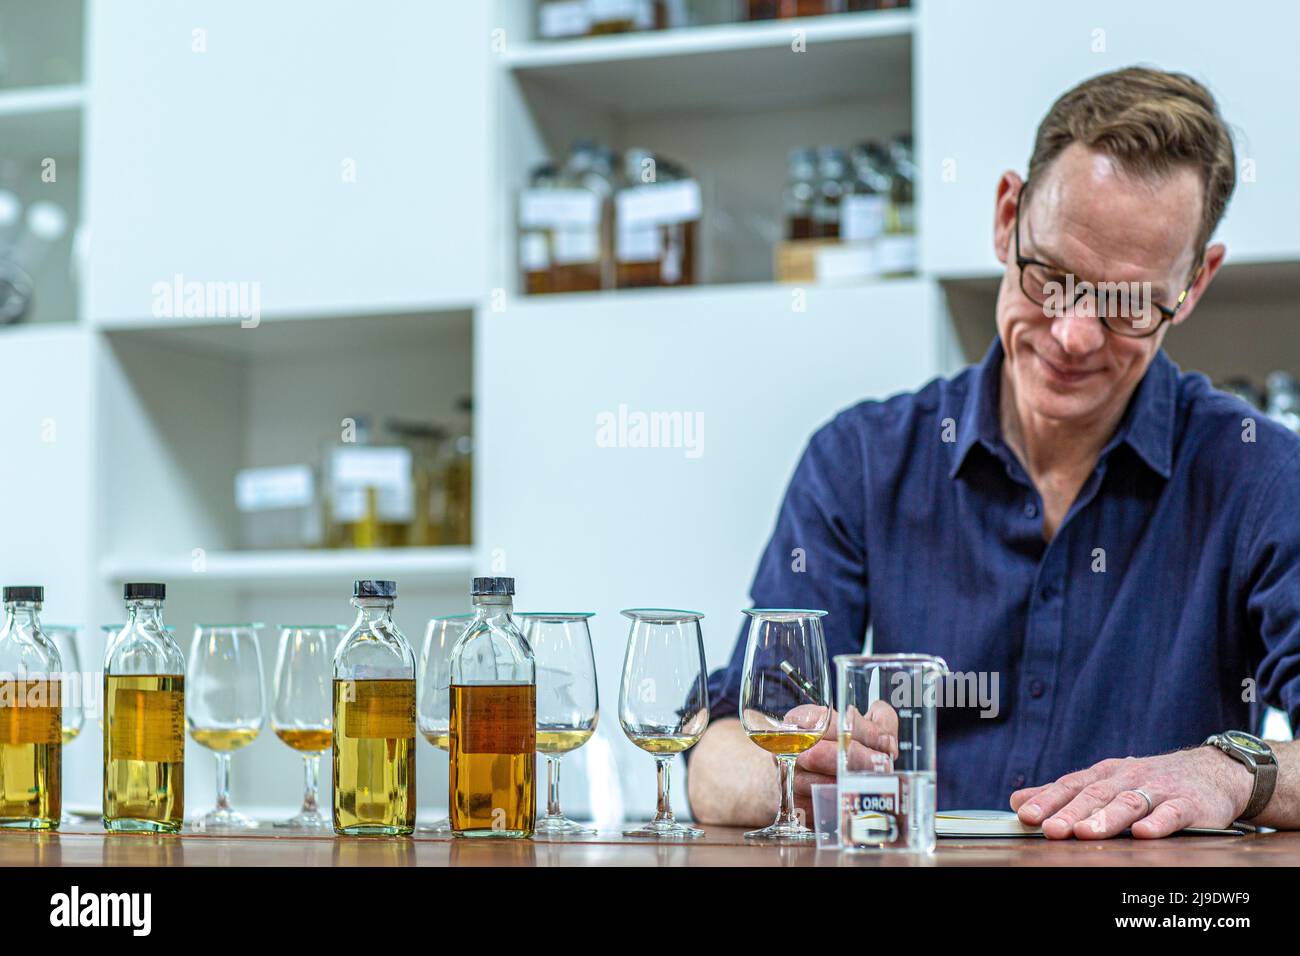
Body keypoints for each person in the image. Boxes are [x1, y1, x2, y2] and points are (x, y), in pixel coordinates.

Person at [687, 67, 1300, 839]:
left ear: (1195, 283)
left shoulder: (1262, 477)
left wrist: (1231, 770)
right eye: (1053, 277)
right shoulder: (862, 462)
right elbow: (722, 754)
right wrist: (793, 774)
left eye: (1132, 304)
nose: (1075, 335)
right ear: (1007, 215)